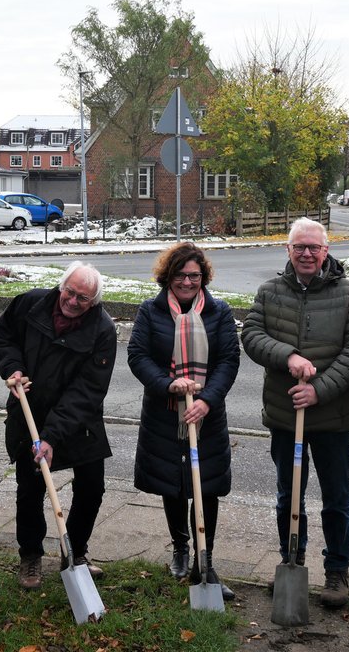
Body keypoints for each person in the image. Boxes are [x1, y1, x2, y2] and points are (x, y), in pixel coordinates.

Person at [241, 217, 349, 608]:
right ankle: (291, 559)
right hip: (285, 415)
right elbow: (252, 335)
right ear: (288, 250)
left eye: (314, 247)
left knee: (336, 497)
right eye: (299, 247)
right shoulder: (270, 291)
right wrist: (288, 356)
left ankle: (337, 570)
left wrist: (318, 391)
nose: (307, 253)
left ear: (326, 251)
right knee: (289, 495)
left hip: (333, 417)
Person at [0, 262, 117, 591]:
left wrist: (51, 437)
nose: (73, 301)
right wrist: (13, 368)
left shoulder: (102, 329)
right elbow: (3, 336)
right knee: (30, 490)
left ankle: (74, 552)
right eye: (70, 292)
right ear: (62, 286)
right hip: (30, 411)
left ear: (94, 301)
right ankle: (30, 555)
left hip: (79, 419)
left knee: (92, 488)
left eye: (83, 298)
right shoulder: (29, 303)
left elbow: (88, 390)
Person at [127, 242, 240, 600]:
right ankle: (180, 548)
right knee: (172, 483)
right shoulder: (151, 311)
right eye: (180, 275)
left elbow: (229, 360)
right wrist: (167, 384)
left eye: (194, 275)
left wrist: (207, 401)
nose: (187, 282)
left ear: (203, 277)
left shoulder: (219, 312)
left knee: (206, 485)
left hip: (206, 415)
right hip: (165, 413)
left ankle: (206, 561)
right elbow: (138, 355)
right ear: (168, 276)